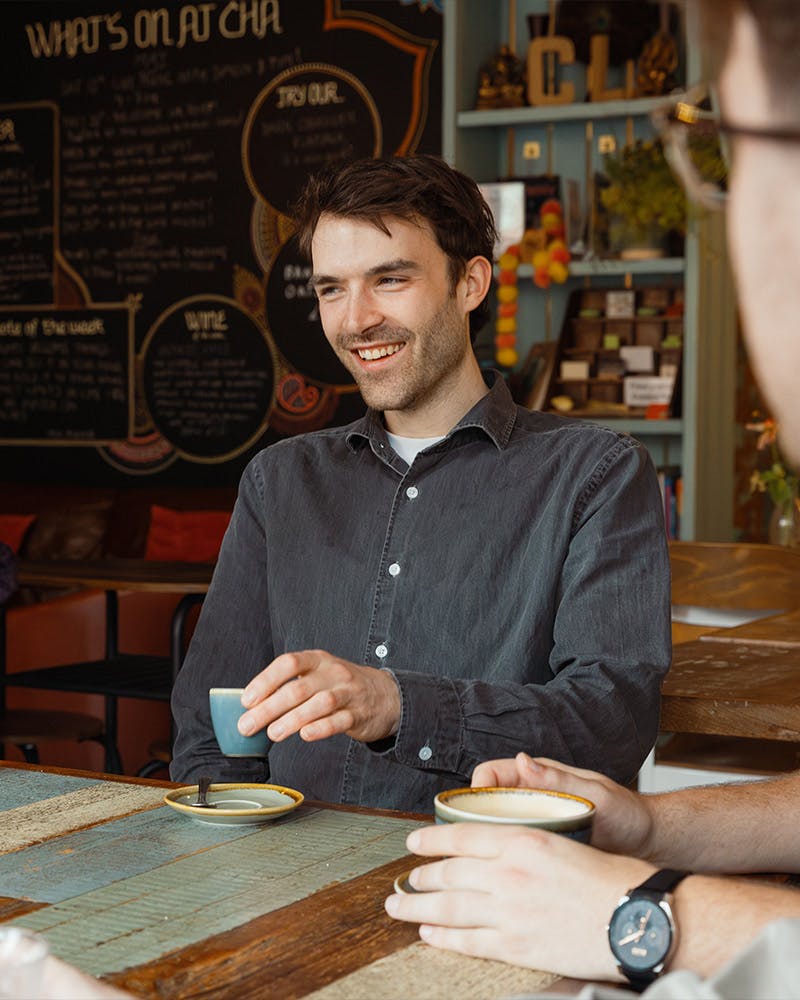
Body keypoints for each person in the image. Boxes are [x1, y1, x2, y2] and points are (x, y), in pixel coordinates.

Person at [385, 0, 800, 993]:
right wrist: (647, 822)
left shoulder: (592, 466)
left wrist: (642, 915)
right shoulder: (286, 476)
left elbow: (609, 698)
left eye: (728, 157)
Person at [170, 153, 672, 811]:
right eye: (331, 289)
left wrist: (399, 705)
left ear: (470, 283)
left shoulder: (594, 473)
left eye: (389, 279)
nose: (355, 320)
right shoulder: (280, 481)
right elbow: (211, 728)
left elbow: (611, 723)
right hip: (282, 875)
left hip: (484, 875)